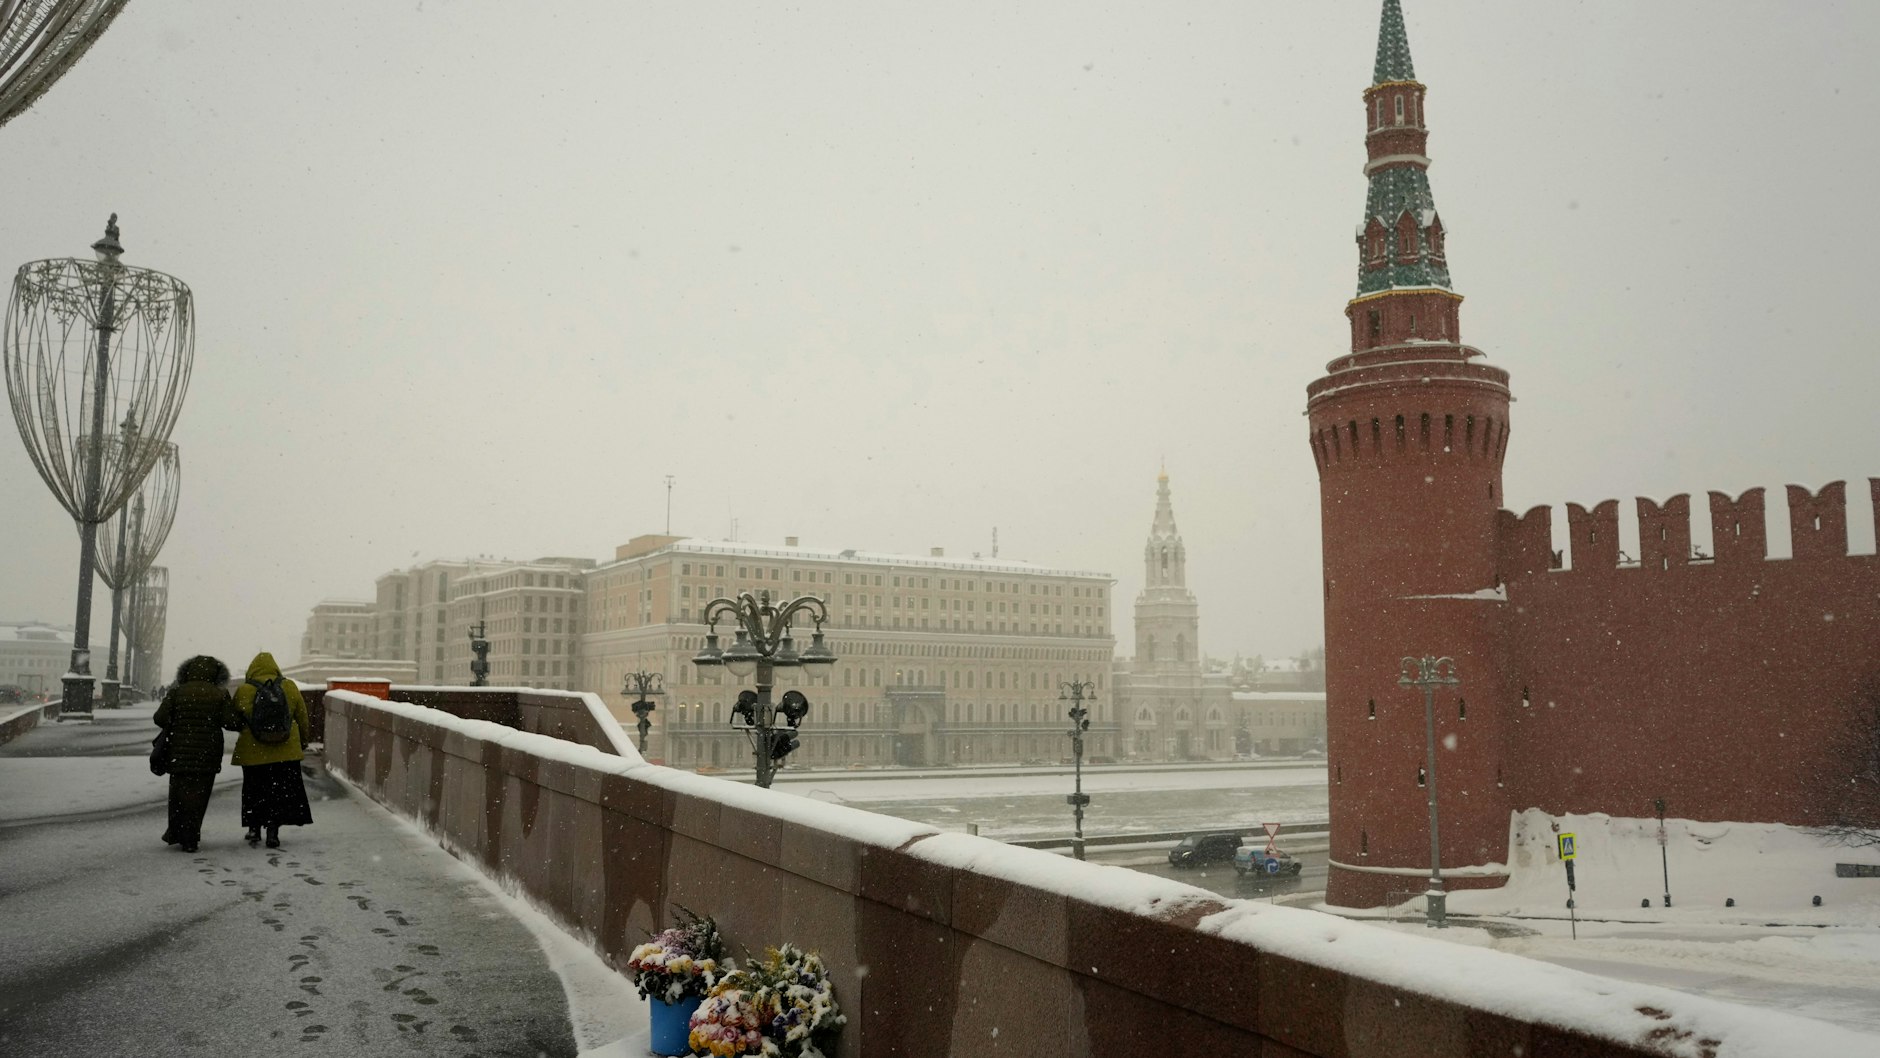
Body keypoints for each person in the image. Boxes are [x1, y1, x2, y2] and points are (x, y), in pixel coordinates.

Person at [230, 651, 313, 848]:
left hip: (253, 752)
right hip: (285, 750)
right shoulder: (289, 686)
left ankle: (253, 828)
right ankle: (273, 832)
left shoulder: (244, 690)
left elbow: (233, 720)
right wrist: (303, 741)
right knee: (279, 792)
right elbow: (302, 717)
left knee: (254, 790)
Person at [153, 656, 235, 852]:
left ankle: (177, 832)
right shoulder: (219, 694)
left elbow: (159, 718)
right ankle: (191, 836)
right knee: (199, 796)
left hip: (178, 752)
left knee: (179, 795)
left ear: (187, 672)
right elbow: (231, 723)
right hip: (207, 753)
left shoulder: (177, 692)